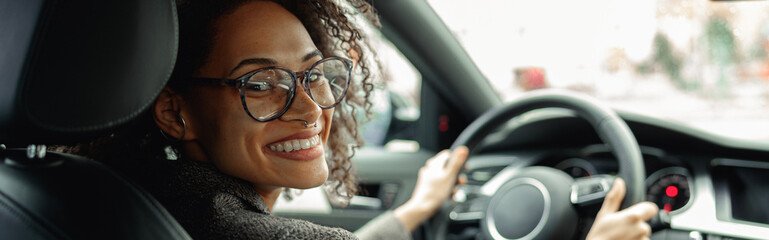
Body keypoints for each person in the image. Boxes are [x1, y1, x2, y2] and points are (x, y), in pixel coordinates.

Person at [63, 0, 657, 239]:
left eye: (314, 73)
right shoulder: (231, 225)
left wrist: (411, 213)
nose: (309, 107)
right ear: (174, 111)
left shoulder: (134, 198)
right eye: (261, 83)